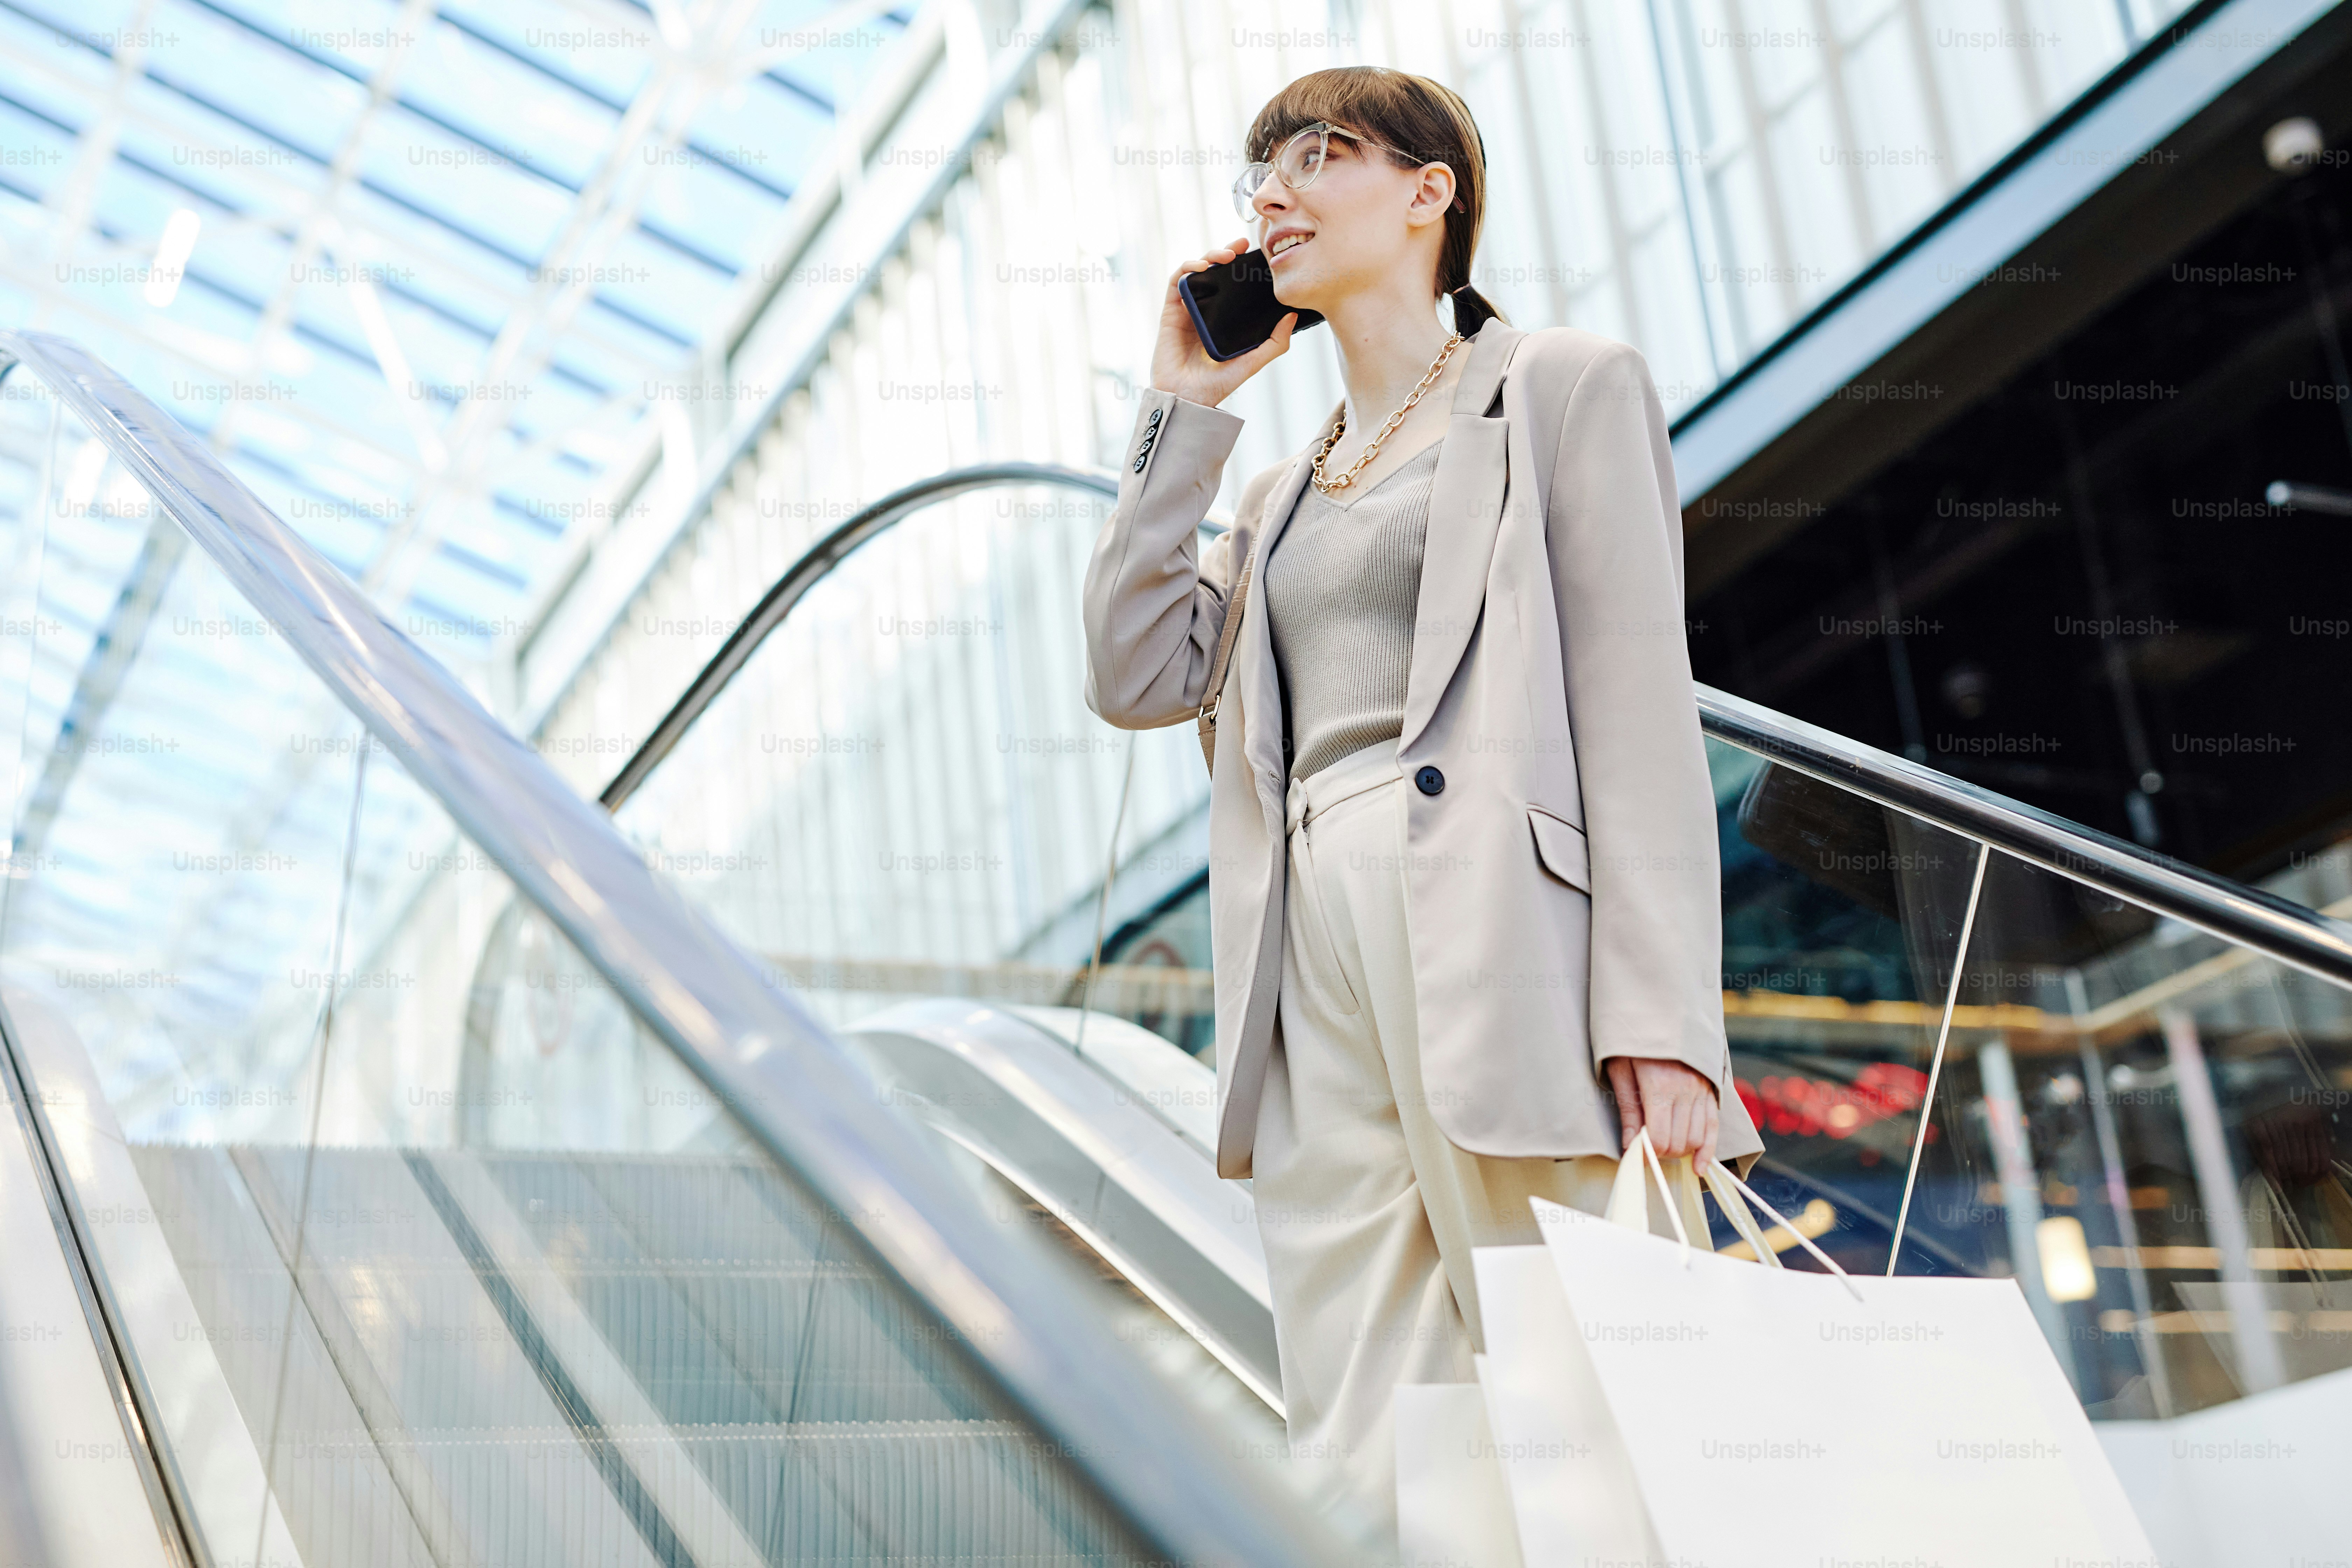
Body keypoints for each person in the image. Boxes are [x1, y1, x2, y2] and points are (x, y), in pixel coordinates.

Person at [1080, 65, 1763, 1544]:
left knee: (1586, 1372)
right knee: (1367, 1427)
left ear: (1428, 191)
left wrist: (1665, 1018)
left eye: (1317, 156)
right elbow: (1133, 675)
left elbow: (1638, 708)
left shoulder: (1559, 388)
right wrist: (1181, 411)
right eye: (1259, 173)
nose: (1273, 195)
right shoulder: (1274, 494)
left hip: (1502, 926)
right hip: (1303, 951)